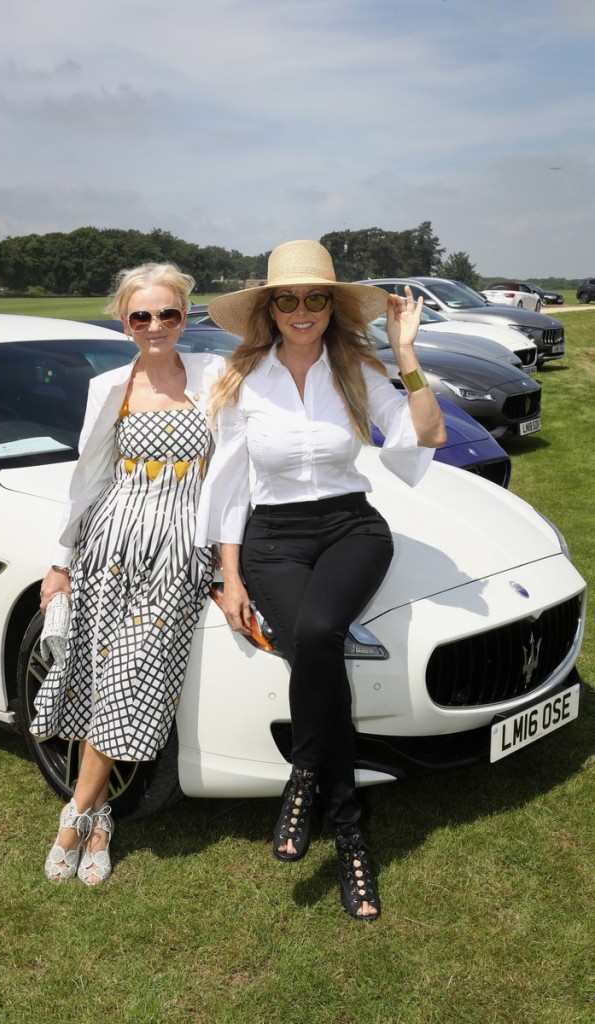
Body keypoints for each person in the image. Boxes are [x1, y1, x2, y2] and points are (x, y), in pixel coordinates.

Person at [196, 240, 446, 920]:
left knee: (317, 631)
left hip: (350, 529)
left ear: (329, 307)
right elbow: (226, 488)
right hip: (272, 538)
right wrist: (230, 575)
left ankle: (302, 774)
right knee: (315, 649)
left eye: (314, 299)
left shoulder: (355, 369)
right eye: (287, 300)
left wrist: (405, 356)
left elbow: (425, 439)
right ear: (269, 309)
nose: (301, 311)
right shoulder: (240, 376)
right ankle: (350, 837)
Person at [31, 263, 224, 885]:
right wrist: (61, 561)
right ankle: (97, 813)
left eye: (168, 313)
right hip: (111, 543)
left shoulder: (218, 379)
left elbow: (239, 472)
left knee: (133, 676)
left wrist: (229, 559)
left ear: (186, 316)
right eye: (141, 316)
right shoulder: (110, 385)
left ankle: (77, 814)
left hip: (178, 550)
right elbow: (86, 477)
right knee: (96, 674)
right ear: (125, 321)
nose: (155, 325)